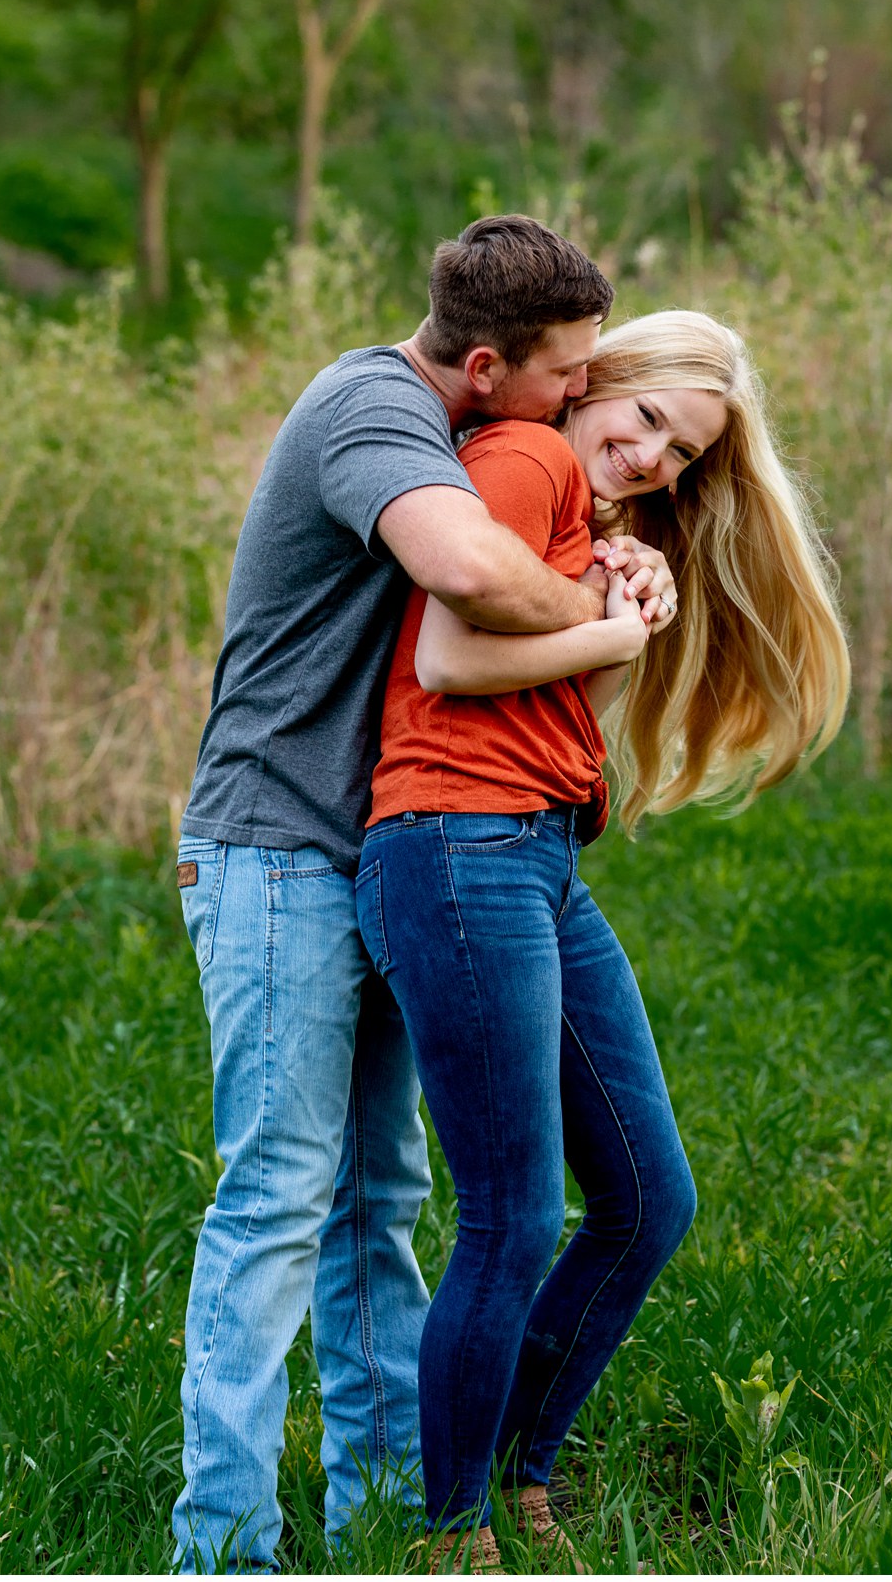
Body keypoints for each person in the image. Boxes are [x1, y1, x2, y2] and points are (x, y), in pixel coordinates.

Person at [170, 216, 677, 1573]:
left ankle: (387, 1519)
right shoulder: (372, 407)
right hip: (274, 844)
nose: (580, 397)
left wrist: (609, 557)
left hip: (378, 846)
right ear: (490, 364)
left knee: (373, 1200)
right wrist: (602, 601)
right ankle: (221, 1545)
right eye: (566, 374)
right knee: (279, 1196)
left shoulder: (471, 425)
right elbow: (462, 578)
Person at [356, 310, 850, 1571]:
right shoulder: (524, 458)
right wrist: (621, 626)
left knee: (646, 1198)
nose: (655, 461)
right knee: (514, 1215)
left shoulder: (579, 508)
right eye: (645, 422)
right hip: (459, 849)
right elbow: (454, 652)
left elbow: (562, 704)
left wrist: (614, 588)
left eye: (682, 455)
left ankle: (514, 1468)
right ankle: (451, 1527)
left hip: (531, 855)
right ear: (593, 383)